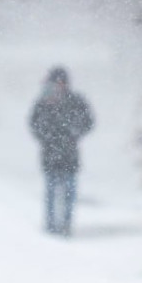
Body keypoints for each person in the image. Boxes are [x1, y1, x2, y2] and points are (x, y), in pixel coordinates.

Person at [29, 66, 94, 237]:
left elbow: (89, 121)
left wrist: (75, 132)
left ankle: (66, 224)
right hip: (50, 156)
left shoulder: (76, 101)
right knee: (51, 192)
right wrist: (47, 136)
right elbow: (34, 124)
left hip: (69, 157)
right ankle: (50, 226)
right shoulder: (43, 102)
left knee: (69, 192)